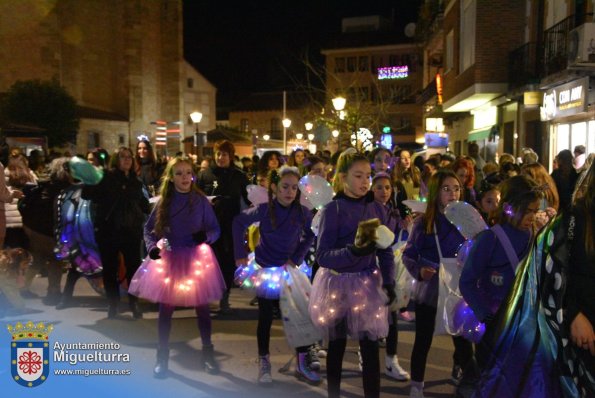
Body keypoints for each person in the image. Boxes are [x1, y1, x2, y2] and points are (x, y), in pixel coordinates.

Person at [128, 156, 225, 377]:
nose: (184, 177)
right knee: (166, 309)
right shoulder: (165, 202)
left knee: (202, 308)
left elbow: (215, 229)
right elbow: (149, 228)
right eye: (179, 173)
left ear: (193, 175)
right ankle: (162, 356)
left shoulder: (200, 201)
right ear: (171, 178)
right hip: (171, 255)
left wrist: (206, 236)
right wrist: (153, 247)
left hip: (197, 259)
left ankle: (207, 353)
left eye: (188, 172)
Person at [310, 152, 395, 398]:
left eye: (368, 176)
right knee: (336, 346)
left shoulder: (375, 207)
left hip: (367, 283)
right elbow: (323, 255)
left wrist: (388, 282)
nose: (365, 182)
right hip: (337, 284)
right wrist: (352, 252)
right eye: (358, 176)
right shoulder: (332, 209)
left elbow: (386, 249)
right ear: (343, 177)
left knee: (370, 349)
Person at [232, 166, 319, 385]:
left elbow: (311, 234)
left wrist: (297, 257)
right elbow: (238, 223)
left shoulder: (302, 212)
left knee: (299, 315)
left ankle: (302, 362)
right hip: (265, 270)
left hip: (288, 270)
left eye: (294, 188)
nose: (289, 192)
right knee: (266, 317)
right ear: (274, 187)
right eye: (285, 187)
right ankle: (264, 362)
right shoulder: (264, 209)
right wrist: (239, 254)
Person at [458, 175, 543, 397]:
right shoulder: (489, 239)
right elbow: (467, 281)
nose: (532, 217)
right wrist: (485, 313)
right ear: (507, 208)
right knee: (488, 381)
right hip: (494, 326)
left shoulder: (534, 235)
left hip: (524, 325)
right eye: (527, 211)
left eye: (535, 211)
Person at [401, 170, 474, 398]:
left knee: (462, 339)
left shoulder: (467, 219)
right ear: (435, 193)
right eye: (446, 189)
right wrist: (420, 271)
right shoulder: (425, 223)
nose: (452, 193)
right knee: (423, 338)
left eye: (456, 188)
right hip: (431, 288)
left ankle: (470, 383)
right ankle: (416, 384)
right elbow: (409, 254)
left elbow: (479, 248)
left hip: (458, 288)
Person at [81, 147, 150, 319]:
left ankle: (134, 302)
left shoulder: (136, 182)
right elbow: (88, 195)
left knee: (134, 268)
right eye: (122, 157)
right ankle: (113, 304)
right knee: (110, 269)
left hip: (130, 230)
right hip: (109, 229)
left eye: (129, 157)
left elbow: (143, 204)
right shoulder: (106, 178)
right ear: (115, 160)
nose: (127, 160)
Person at [196, 140, 249, 313]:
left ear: (230, 156)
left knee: (228, 261)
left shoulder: (239, 175)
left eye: (224, 154)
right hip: (210, 224)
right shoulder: (205, 175)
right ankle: (210, 296)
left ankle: (224, 298)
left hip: (232, 224)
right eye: (218, 154)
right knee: (211, 261)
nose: (220, 157)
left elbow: (248, 198)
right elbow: (196, 197)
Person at [370, 172, 410, 381]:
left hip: (388, 266)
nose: (384, 191)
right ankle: (365, 356)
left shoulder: (393, 212)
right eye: (379, 187)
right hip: (368, 267)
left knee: (391, 315)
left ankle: (391, 360)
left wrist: (403, 223)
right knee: (368, 317)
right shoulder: (367, 209)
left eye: (387, 187)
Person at [21, 157, 73, 305]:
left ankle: (23, 287)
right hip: (48, 230)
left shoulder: (46, 184)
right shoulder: (65, 188)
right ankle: (53, 292)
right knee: (56, 260)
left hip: (34, 228)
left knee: (37, 260)